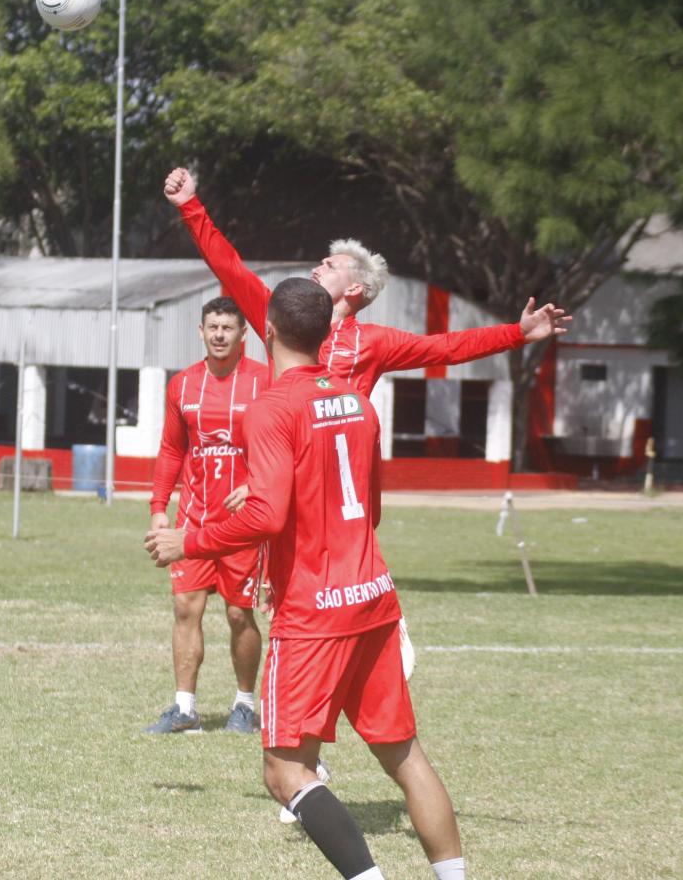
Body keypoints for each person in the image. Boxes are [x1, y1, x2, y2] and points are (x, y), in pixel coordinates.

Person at [145, 278, 466, 880]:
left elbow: (269, 515)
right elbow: (365, 508)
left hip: (315, 613)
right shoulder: (357, 400)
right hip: (372, 595)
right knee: (403, 755)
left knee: (285, 772)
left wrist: (185, 539)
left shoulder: (271, 404)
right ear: (326, 332)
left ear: (264, 331)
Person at [163, 166, 572, 398]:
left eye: (330, 264)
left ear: (355, 289)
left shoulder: (374, 342)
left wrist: (517, 333)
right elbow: (229, 267)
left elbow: (447, 348)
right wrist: (190, 206)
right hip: (284, 469)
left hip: (343, 478)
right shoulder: (280, 314)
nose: (316, 267)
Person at [145, 297, 272, 735]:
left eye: (228, 328)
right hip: (193, 520)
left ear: (243, 335)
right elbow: (171, 450)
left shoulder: (265, 382)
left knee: (239, 614)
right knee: (185, 608)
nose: (219, 335)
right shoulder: (182, 385)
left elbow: (287, 447)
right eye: (212, 327)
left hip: (244, 524)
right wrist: (160, 509)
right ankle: (184, 708)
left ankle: (244, 704)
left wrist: (257, 485)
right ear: (201, 331)